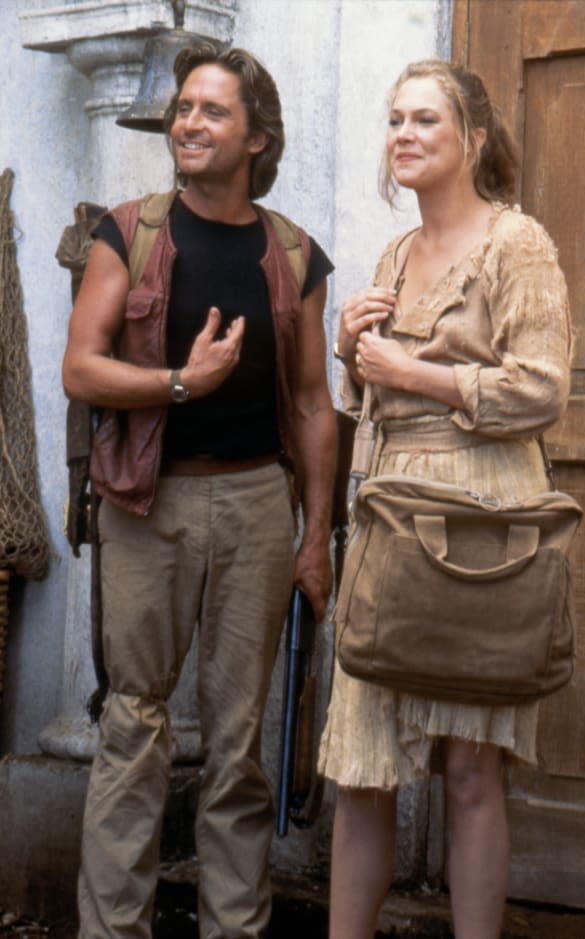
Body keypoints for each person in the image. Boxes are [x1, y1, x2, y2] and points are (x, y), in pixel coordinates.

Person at [63, 40, 336, 939]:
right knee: (133, 727)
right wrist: (183, 383)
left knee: (237, 743)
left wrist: (315, 535)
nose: (187, 123)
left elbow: (310, 403)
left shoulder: (293, 253)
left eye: (211, 111)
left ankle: (234, 927)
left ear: (257, 136)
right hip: (149, 506)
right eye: (183, 108)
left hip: (259, 503)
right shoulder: (130, 230)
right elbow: (81, 369)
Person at [319, 59, 572, 939]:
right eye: (394, 120)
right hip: (390, 514)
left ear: (472, 139)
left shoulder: (517, 242)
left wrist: (411, 370)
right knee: (360, 769)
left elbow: (542, 391)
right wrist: (355, 357)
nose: (404, 135)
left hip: (483, 516)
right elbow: (374, 397)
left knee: (470, 768)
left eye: (425, 120)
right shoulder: (393, 253)